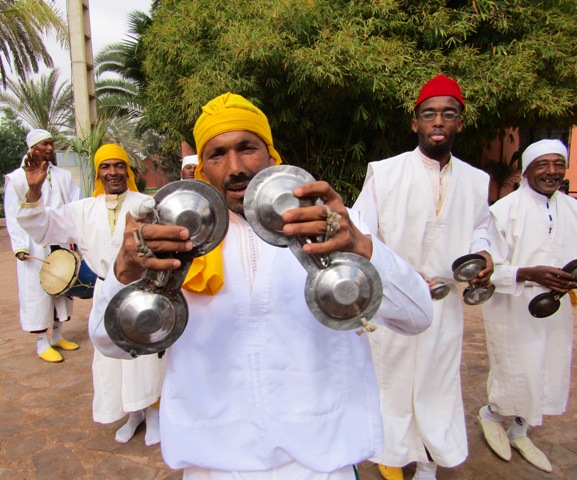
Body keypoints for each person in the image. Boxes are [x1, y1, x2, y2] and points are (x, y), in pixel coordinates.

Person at [89, 92, 434, 479]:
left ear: (271, 155)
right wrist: (124, 272)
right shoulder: (168, 242)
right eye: (217, 154)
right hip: (213, 460)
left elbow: (418, 316)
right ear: (202, 168)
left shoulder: (327, 226)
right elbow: (108, 343)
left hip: (320, 457)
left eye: (247, 148)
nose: (235, 167)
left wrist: (361, 246)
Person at [353, 74, 494, 480]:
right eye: (429, 114)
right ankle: (393, 456)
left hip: (444, 305)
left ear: (460, 122)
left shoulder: (476, 180)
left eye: (448, 114)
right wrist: (395, 270)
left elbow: (482, 227)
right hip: (395, 299)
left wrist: (484, 252)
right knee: (392, 383)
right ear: (415, 122)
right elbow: (361, 230)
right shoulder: (385, 173)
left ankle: (429, 465)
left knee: (438, 386)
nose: (438, 122)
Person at [17, 143, 166, 446]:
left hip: (143, 291)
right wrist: (34, 190)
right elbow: (41, 227)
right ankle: (133, 414)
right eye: (105, 166)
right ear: (98, 173)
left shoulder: (147, 204)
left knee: (147, 357)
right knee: (112, 358)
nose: (113, 172)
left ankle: (154, 413)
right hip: (105, 293)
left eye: (119, 165)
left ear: (128, 170)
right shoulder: (83, 209)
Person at [478, 139, 577, 473]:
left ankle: (519, 431)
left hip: (555, 310)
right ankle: (491, 415)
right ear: (527, 170)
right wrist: (528, 273)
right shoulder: (504, 211)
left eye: (558, 164)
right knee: (515, 371)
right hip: (514, 309)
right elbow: (487, 271)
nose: (551, 171)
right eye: (542, 164)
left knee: (547, 370)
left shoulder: (573, 209)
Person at [3, 129, 79, 363]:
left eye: (51, 143)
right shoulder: (17, 178)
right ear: (32, 148)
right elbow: (12, 213)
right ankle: (41, 343)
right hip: (34, 245)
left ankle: (57, 336)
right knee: (38, 294)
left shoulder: (63, 176)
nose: (49, 148)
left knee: (62, 288)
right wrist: (20, 245)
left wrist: (75, 238)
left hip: (60, 240)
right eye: (44, 144)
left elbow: (74, 206)